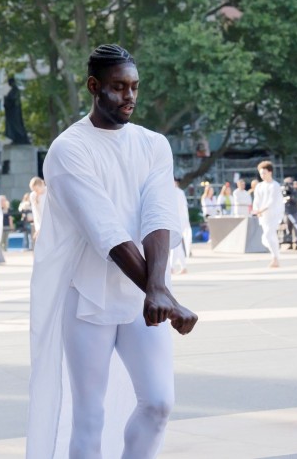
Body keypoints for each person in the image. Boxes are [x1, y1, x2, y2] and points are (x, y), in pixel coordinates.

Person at [26, 44, 198, 459]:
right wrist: (160, 295)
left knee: (159, 403)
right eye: (118, 87)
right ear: (93, 87)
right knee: (89, 414)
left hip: (144, 295)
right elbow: (104, 228)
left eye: (134, 87)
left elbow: (159, 214)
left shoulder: (154, 144)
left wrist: (158, 290)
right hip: (86, 296)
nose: (129, 96)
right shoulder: (69, 148)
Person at [252, 161, 285, 268]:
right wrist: (256, 210)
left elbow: (272, 201)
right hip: (263, 216)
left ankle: (275, 257)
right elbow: (256, 200)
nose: (262, 175)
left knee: (268, 235)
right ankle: (275, 256)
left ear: (270, 172)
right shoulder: (259, 186)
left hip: (273, 215)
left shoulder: (275, 186)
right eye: (261, 173)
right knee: (269, 237)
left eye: (264, 173)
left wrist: (261, 210)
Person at [170, 178, 192, 275]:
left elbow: (183, 208)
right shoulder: (175, 192)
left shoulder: (178, 192)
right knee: (176, 245)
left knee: (176, 244)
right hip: (176, 220)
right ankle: (181, 267)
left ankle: (173, 267)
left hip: (179, 221)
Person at [29, 177, 47, 242]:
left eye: (36, 189)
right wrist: (38, 227)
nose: (35, 192)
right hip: (41, 223)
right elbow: (35, 213)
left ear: (41, 185)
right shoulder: (33, 196)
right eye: (33, 190)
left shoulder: (48, 191)